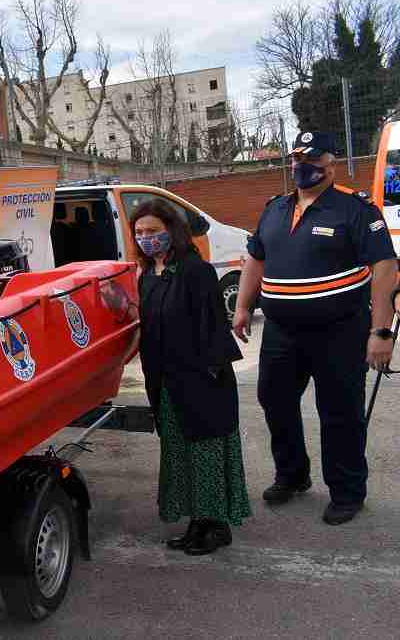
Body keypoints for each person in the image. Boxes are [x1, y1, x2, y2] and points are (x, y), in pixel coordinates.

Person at [233, 131, 397, 526]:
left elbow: (385, 269)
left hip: (340, 332)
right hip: (281, 332)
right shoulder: (274, 209)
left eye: (310, 159)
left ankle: (346, 492)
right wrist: (242, 307)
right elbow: (255, 260)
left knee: (339, 413)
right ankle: (292, 475)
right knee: (275, 402)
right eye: (296, 159)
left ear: (331, 163)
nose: (300, 166)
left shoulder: (355, 210)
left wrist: (380, 332)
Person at [133, 200, 251, 555]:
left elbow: (211, 327)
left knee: (206, 454)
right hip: (166, 382)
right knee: (180, 453)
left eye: (153, 231)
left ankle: (213, 527)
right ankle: (197, 523)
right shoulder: (149, 274)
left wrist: (208, 377)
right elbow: (150, 324)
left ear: (172, 231)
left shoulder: (193, 270)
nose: (146, 239)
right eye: (139, 233)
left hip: (200, 380)